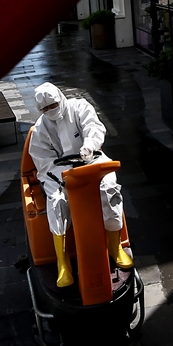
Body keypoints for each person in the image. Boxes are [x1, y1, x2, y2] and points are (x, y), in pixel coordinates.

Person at [28, 82, 132, 287]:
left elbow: (93, 127)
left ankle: (114, 245)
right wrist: (65, 174)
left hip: (92, 160)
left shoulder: (80, 107)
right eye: (45, 109)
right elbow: (43, 161)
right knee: (56, 201)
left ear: (60, 98)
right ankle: (63, 261)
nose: (51, 110)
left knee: (109, 188)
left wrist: (89, 146)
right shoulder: (40, 128)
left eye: (53, 105)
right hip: (59, 173)